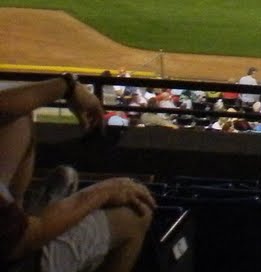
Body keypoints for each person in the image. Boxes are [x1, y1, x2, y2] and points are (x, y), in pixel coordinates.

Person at [0, 73, 155, 272]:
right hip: (18, 256)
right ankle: (30, 215)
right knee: (135, 213)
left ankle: (20, 210)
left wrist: (68, 87)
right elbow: (27, 239)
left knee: (17, 117)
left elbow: (8, 105)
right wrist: (104, 191)